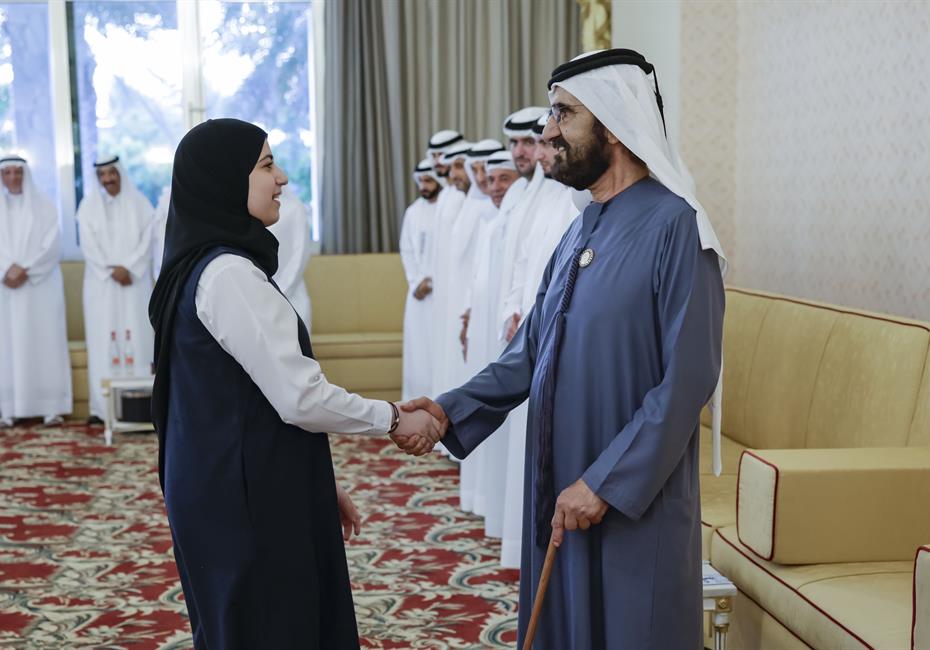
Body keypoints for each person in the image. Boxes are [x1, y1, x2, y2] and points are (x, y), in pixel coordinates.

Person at [401, 49, 727, 648]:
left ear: (612, 125)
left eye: (563, 115)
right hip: (561, 488)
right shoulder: (580, 226)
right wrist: (448, 410)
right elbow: (529, 352)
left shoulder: (677, 227)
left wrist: (606, 482)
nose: (548, 133)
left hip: (633, 500)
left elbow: (688, 379)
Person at [148, 118, 440, 648]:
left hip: (225, 482)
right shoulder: (229, 274)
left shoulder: (200, 265)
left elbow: (237, 396)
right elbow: (300, 396)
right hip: (242, 500)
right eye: (264, 165)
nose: (280, 177)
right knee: (273, 626)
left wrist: (313, 482)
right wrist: (394, 418)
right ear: (225, 179)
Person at [495, 114, 581, 566]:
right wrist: (512, 309)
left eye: (544, 144)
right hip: (532, 341)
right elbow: (524, 262)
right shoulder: (535, 195)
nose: (537, 153)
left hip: (557, 350)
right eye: (531, 144)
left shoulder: (574, 201)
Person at [457, 150, 520, 522]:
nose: (493, 187)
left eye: (503, 179)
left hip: (505, 334)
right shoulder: (493, 220)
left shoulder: (514, 216)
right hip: (484, 329)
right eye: (490, 180)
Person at [76, 154, 155, 423]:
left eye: (112, 173)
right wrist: (111, 270)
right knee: (103, 341)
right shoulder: (87, 207)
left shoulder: (141, 203)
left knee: (139, 338)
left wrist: (130, 268)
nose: (108, 179)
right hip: (102, 286)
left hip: (134, 283)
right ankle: (101, 409)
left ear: (120, 174)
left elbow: (149, 239)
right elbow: (88, 246)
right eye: (103, 175)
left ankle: (141, 408)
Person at [0, 155, 72, 426]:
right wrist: (6, 268)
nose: (12, 179)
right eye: (6, 173)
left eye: (17, 173)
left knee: (43, 341)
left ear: (25, 175)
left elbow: (52, 245)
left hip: (38, 287)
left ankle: (49, 407)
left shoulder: (44, 207)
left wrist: (25, 268)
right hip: (5, 288)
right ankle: (7, 409)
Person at [399, 158, 443, 400]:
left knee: (438, 352)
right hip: (418, 296)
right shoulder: (413, 212)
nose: (424, 186)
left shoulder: (448, 209)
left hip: (443, 294)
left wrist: (434, 280)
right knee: (418, 355)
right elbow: (407, 250)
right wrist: (417, 282)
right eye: (421, 181)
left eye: (428, 180)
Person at [268, 187, 313, 329]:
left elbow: (299, 257)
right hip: (260, 296)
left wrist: (279, 293)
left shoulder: (294, 209)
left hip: (292, 297)